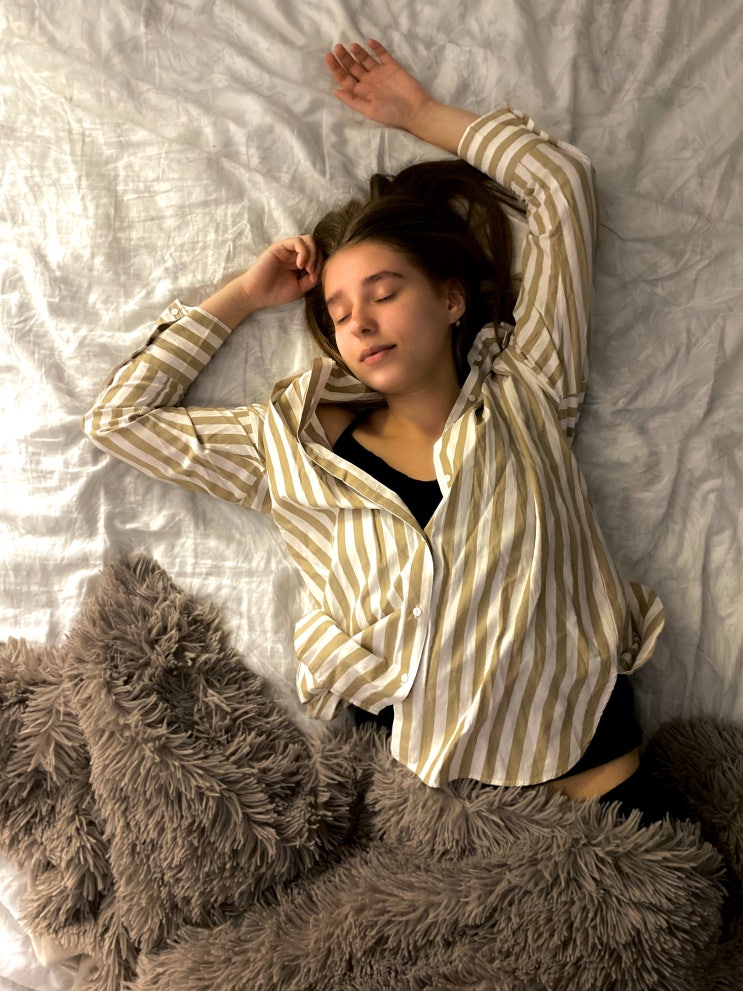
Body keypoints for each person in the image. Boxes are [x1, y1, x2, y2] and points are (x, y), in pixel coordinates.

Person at [83, 40, 668, 813]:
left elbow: (560, 185)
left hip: (593, 776)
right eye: (338, 311)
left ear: (451, 300)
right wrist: (244, 295)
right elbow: (120, 419)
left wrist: (420, 114)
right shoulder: (287, 449)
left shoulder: (530, 389)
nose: (359, 321)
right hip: (428, 807)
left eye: (384, 293)